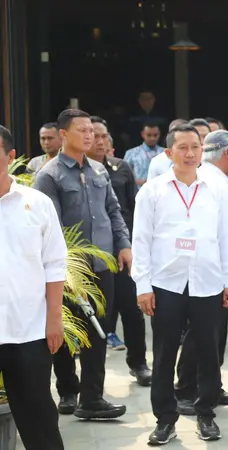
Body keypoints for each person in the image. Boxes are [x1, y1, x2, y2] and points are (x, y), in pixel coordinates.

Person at [131, 124, 228, 445]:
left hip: (208, 281)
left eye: (196, 147)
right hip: (166, 283)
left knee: (209, 351)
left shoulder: (217, 188)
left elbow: (227, 237)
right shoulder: (152, 190)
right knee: (164, 354)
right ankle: (165, 419)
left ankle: (206, 413)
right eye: (183, 148)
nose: (191, 153)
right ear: (169, 153)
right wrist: (143, 286)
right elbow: (141, 240)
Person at [34, 108, 132, 420]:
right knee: (65, 332)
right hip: (67, 271)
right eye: (82, 130)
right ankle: (67, 390)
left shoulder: (99, 171)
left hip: (102, 268)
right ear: (64, 135)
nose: (90, 135)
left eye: (92, 130)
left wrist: (123, 244)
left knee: (100, 330)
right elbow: (46, 228)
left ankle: (92, 397)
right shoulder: (49, 176)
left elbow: (113, 211)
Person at [0, 124, 67, 450]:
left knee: (38, 418)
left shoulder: (36, 203)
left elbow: (55, 263)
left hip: (29, 330)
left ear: (10, 156)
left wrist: (54, 318)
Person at [174, 130, 228, 415]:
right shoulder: (212, 182)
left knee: (214, 335)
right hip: (209, 272)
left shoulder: (217, 181)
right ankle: (186, 389)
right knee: (201, 335)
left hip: (218, 271)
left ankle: (210, 386)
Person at [88, 116, 152, 386]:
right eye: (96, 137)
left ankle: (138, 363)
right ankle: (92, 377)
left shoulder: (120, 167)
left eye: (105, 137)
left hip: (122, 253)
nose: (101, 141)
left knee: (132, 310)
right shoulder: (78, 172)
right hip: (92, 256)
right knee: (99, 315)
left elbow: (128, 211)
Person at [123, 121, 165, 185]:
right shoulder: (131, 154)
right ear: (142, 134)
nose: (152, 138)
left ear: (159, 134)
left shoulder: (166, 153)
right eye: (149, 135)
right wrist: (138, 182)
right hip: (139, 191)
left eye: (155, 135)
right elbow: (124, 176)